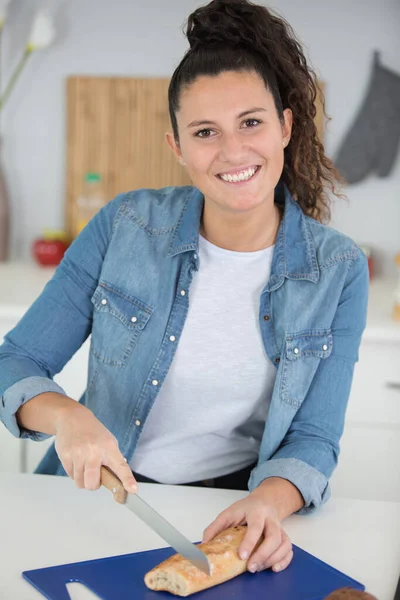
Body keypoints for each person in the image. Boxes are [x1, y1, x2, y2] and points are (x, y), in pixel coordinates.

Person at [0, 0, 368, 577]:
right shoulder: (124, 226)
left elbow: (315, 438)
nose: (232, 151)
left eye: (251, 122)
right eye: (205, 132)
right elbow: (16, 360)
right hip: (96, 503)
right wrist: (69, 418)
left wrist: (268, 504)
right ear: (177, 147)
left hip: (231, 512)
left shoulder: (339, 268)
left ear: (286, 127)